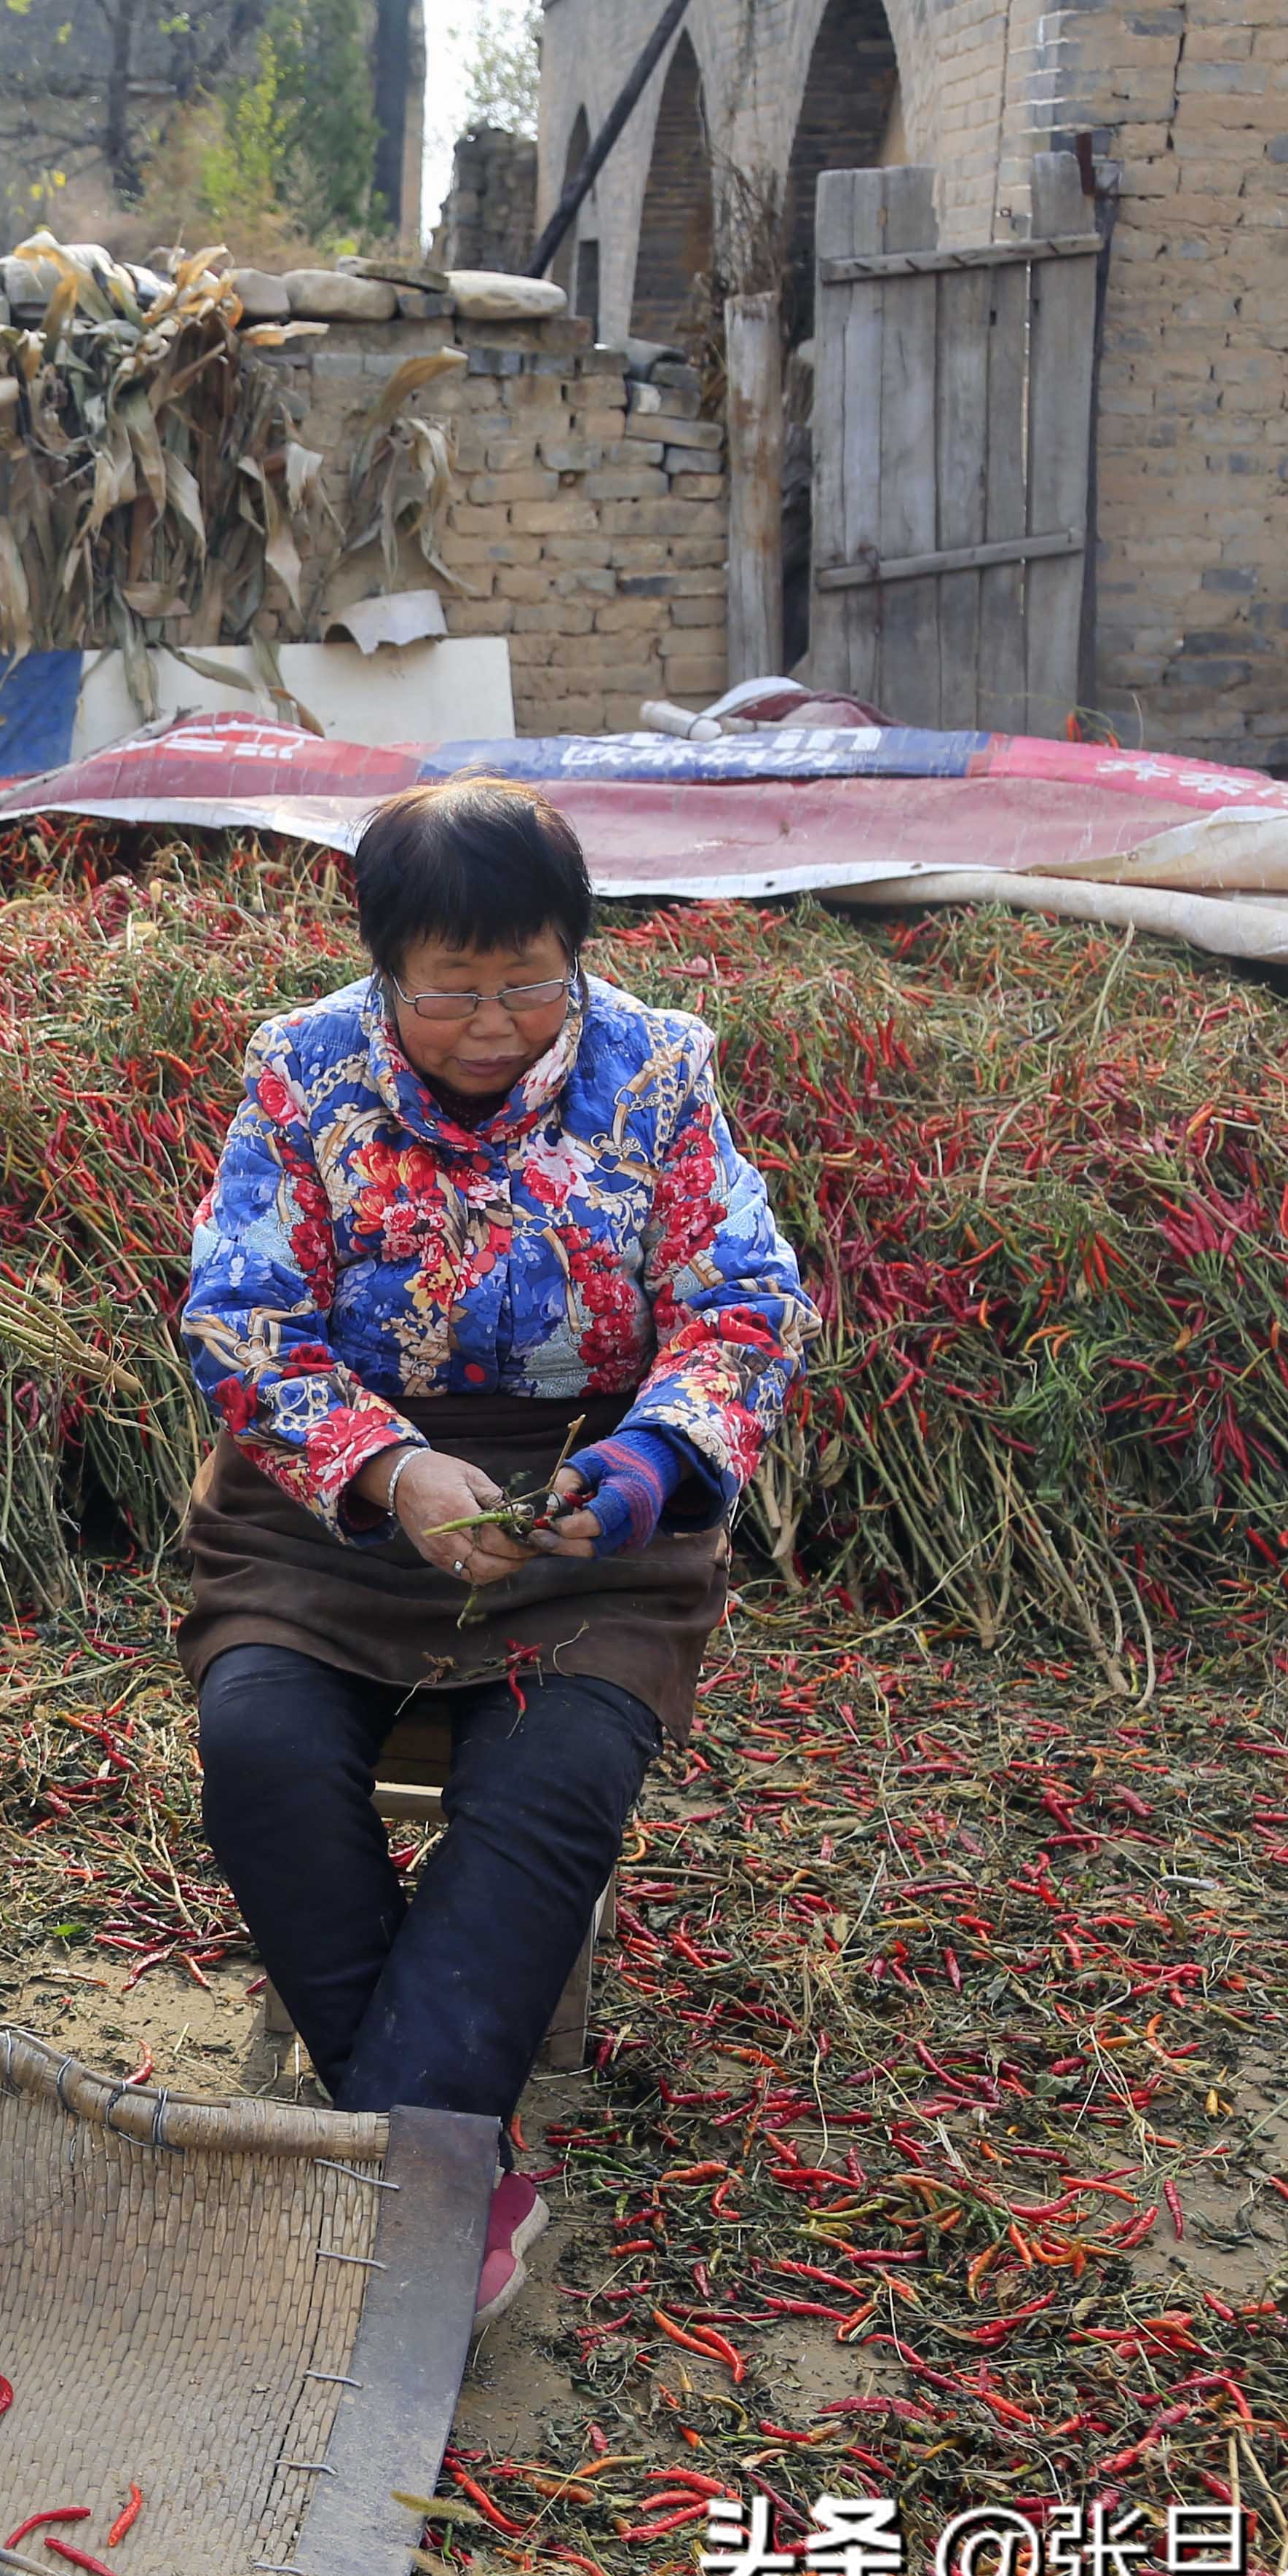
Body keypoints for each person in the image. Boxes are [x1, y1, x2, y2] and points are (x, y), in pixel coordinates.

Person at [174, 777, 810, 2323]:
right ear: (386, 968)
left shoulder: (658, 1073)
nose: (492, 1021)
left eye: (529, 979)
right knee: (260, 1746)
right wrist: (387, 1468)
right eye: (452, 988)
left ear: (575, 956)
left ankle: (394, 2174)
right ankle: (448, 2172)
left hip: (589, 1512)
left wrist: (650, 1467)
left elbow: (744, 1307)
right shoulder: (301, 1074)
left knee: (554, 1775)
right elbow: (245, 1324)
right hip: (342, 1507)